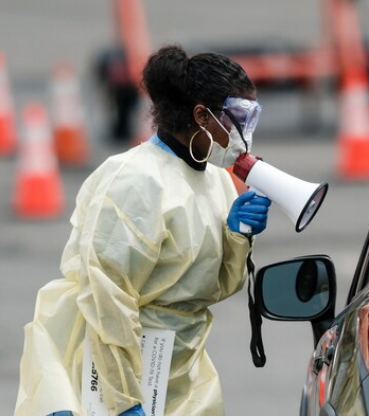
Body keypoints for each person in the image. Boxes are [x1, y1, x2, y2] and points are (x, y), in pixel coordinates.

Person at [15, 45, 271, 416]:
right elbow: (107, 300)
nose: (243, 133)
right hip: (108, 372)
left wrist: (237, 237)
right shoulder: (134, 182)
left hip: (180, 369)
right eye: (238, 118)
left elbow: (212, 289)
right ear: (201, 116)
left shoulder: (215, 179)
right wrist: (123, 400)